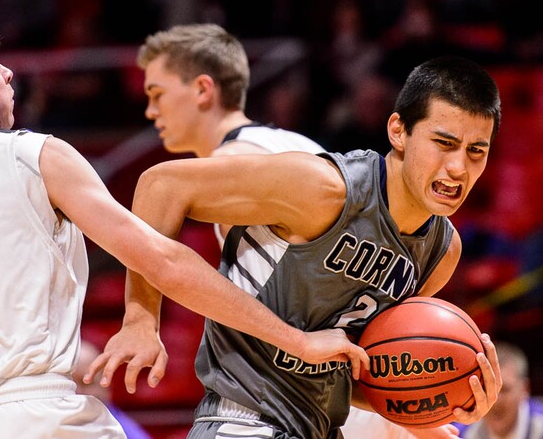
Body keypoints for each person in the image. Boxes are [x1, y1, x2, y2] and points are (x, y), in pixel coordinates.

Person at [0, 0, 371, 438]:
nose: (7, 74)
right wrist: (296, 340)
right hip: (41, 414)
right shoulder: (32, 157)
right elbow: (163, 261)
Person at [85, 54, 503, 438]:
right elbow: (160, 186)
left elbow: (360, 370)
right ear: (398, 131)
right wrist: (140, 318)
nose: (457, 167)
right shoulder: (324, 188)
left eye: (476, 152)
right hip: (244, 420)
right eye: (444, 143)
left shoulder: (440, 252)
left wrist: (433, 404)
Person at [455, 341, 543, 439]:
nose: (495, 399)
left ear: (525, 390)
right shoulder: (457, 433)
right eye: (487, 389)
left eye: (504, 390)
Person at [74, 340, 152, 439]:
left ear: (106, 384)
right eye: (71, 384)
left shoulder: (128, 434)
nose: (78, 393)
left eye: (87, 383)